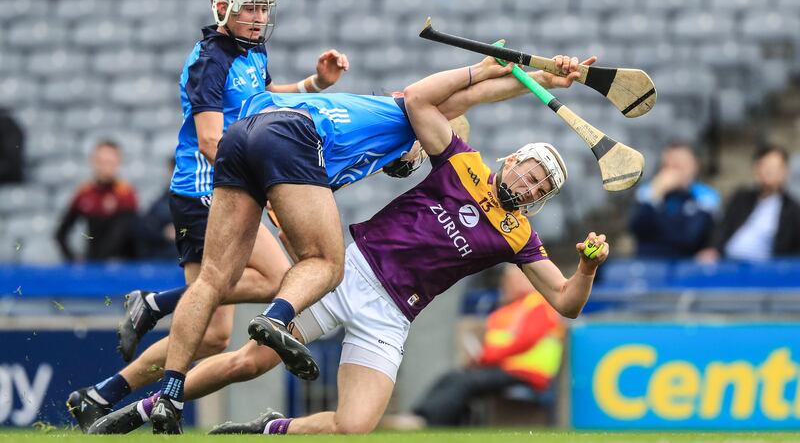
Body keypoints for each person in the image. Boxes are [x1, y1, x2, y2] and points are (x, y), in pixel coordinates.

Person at [88, 53, 605, 435]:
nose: (531, 187)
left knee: (355, 425)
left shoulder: (521, 236)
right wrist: (494, 68)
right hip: (350, 271)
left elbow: (565, 303)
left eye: (542, 189)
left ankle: (270, 429)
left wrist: (585, 267)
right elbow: (420, 99)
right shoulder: (462, 161)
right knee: (248, 360)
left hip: (394, 314)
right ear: (512, 161)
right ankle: (144, 406)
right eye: (532, 173)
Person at [66, 0, 350, 432]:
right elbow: (210, 141)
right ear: (223, 9)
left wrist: (313, 85)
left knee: (213, 334)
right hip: (206, 191)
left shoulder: (251, 50)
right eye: (249, 9)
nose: (259, 18)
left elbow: (261, 99)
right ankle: (157, 303)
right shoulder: (210, 59)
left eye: (263, 9)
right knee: (282, 280)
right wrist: (270, 190)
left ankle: (101, 393)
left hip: (226, 188)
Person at [411, 264, 564, 427]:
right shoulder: (505, 311)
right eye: (508, 279)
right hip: (502, 369)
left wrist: (485, 357)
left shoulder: (538, 304)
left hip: (527, 372)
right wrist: (481, 358)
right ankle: (422, 416)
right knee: (451, 377)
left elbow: (524, 340)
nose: (509, 283)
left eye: (517, 279)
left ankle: (429, 423)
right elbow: (497, 343)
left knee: (465, 382)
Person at [697, 145, 800, 263]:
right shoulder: (740, 198)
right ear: (756, 168)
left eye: (775, 167)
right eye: (764, 165)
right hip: (726, 262)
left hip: (764, 270)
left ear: (785, 172)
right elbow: (722, 227)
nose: (769, 171)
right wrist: (713, 248)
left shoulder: (792, 210)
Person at [628, 142, 720, 258]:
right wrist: (655, 195)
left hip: (687, 264)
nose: (671, 172)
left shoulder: (706, 195)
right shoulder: (648, 192)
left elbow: (689, 237)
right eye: (667, 166)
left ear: (695, 166)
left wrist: (658, 224)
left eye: (678, 166)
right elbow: (637, 228)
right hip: (649, 261)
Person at [54, 140, 138, 261]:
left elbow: (121, 235)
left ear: (118, 163)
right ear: (92, 162)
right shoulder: (84, 193)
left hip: (120, 265)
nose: (105, 167)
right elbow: (61, 233)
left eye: (109, 162)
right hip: (93, 264)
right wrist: (73, 259)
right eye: (100, 162)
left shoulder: (126, 194)